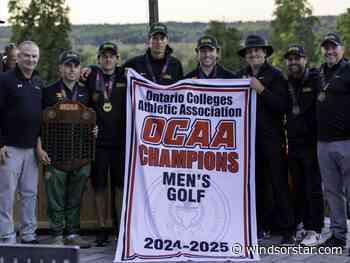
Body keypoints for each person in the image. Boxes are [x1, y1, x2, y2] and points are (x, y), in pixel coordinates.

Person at [237, 34, 294, 245]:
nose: (253, 54)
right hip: (249, 141)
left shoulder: (276, 76)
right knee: (257, 186)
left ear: (265, 53)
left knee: (279, 184)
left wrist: (261, 90)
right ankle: (261, 226)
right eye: (250, 51)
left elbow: (282, 106)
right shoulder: (239, 75)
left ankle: (288, 229)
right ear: (246, 56)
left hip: (272, 140)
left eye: (257, 50)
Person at [37, 51, 94, 248]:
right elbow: (39, 122)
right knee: (55, 196)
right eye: (68, 65)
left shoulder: (86, 92)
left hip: (80, 153)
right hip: (55, 154)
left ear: (80, 69)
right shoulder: (48, 91)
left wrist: (95, 128)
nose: (71, 69)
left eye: (75, 66)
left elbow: (93, 118)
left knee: (75, 196)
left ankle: (72, 233)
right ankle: (57, 235)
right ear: (60, 68)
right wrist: (39, 148)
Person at [0, 40, 43, 244]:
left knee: (30, 194)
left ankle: (28, 234)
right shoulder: (5, 80)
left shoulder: (37, 82)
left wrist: (39, 145)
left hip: (31, 149)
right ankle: (6, 236)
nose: (30, 59)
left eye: (34, 56)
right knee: (6, 195)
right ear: (18, 57)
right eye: (26, 55)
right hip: (9, 148)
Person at [83, 42, 126, 246]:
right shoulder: (90, 76)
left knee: (119, 187)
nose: (108, 59)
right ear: (98, 59)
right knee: (98, 186)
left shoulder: (126, 76)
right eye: (104, 56)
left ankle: (120, 227)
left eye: (112, 56)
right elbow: (84, 107)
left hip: (121, 142)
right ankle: (102, 227)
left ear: (117, 58)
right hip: (98, 143)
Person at [284, 44, 324, 246]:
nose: (293, 62)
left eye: (297, 58)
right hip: (293, 143)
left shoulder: (316, 78)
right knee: (297, 187)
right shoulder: (287, 82)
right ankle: (301, 225)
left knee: (313, 187)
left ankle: (315, 229)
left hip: (313, 143)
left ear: (305, 59)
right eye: (290, 59)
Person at [316, 33, 350, 250]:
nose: (330, 51)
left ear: (343, 49)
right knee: (332, 192)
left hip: (347, 141)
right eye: (326, 48)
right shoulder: (317, 73)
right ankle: (338, 236)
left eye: (334, 47)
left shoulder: (349, 70)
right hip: (323, 143)